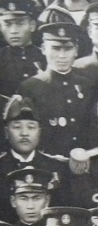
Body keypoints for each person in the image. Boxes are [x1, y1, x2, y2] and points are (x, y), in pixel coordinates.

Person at [18, 22, 93, 157]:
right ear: (43, 49)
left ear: (76, 50)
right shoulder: (30, 87)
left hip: (83, 161)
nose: (62, 55)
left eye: (68, 49)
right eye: (56, 49)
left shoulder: (87, 85)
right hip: (48, 162)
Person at [0, 95, 71, 218]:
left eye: (31, 127)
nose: (24, 133)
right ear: (6, 132)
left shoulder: (58, 167)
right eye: (17, 127)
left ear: (39, 131)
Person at [0, 0, 44, 99]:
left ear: (32, 26)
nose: (14, 31)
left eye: (20, 24)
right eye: (7, 24)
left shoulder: (45, 57)